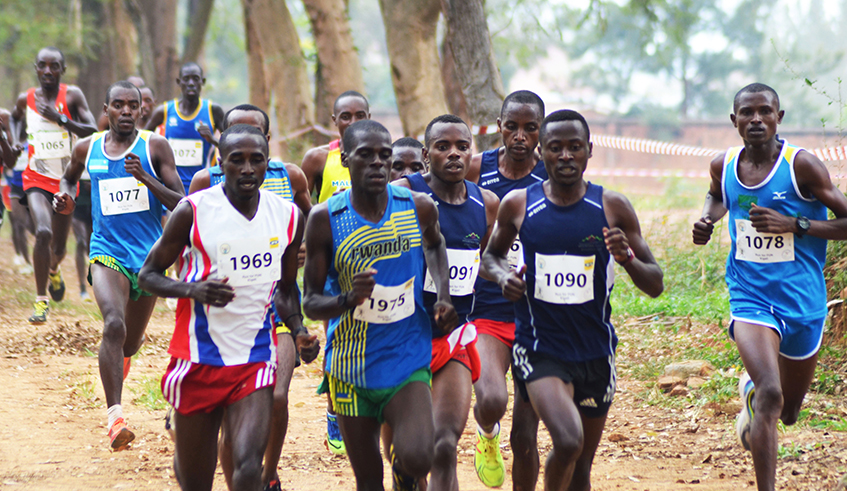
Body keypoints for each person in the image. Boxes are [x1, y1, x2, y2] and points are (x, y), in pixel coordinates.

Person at [483, 109, 663, 491]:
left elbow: (655, 284)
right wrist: (503, 279)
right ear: (541, 152)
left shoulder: (611, 206)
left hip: (595, 352)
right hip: (539, 347)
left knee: (580, 468)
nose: (565, 156)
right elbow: (490, 258)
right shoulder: (518, 204)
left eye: (574, 147)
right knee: (567, 439)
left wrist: (626, 257)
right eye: (555, 148)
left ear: (589, 151)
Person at [138, 124, 312, 491]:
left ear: (268, 164)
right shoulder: (194, 211)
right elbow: (148, 275)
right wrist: (192, 289)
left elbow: (284, 289)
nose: (248, 169)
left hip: (254, 361)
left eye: (256, 160)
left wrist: (298, 330)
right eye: (237, 160)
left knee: (249, 469)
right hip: (198, 360)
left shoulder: (287, 216)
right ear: (220, 163)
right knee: (195, 481)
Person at [692, 83, 847, 491]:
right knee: (771, 394)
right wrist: (707, 219)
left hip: (803, 301)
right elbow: (715, 198)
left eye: (765, 111)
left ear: (780, 118)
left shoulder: (802, 167)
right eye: (747, 112)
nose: (756, 119)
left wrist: (794, 224)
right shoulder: (722, 165)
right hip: (750, 295)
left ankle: (751, 396)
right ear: (734, 120)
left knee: (789, 411)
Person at [303, 119, 458, 490]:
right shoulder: (326, 219)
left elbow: (436, 246)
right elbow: (310, 302)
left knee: (419, 456)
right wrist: (347, 298)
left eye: (384, 156)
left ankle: (405, 479)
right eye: (366, 155)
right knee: (369, 480)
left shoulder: (417, 207)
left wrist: (443, 296)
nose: (377, 163)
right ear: (345, 158)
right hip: (350, 365)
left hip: (406, 354)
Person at [188, 103, 315, 491]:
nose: (246, 167)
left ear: (267, 142)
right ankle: (237, 466)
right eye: (235, 152)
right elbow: (182, 247)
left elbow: (309, 217)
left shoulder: (289, 181)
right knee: (220, 431)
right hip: (218, 328)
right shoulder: (203, 186)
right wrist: (193, 286)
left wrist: (302, 246)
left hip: (273, 314)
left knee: (277, 395)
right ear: (222, 150)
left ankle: (267, 472)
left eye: (255, 152)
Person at [53, 81, 185, 450]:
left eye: (133, 105)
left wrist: (146, 177)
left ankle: (124, 354)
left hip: (149, 257)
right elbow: (68, 177)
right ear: (106, 109)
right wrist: (65, 196)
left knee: (128, 343)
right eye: (119, 105)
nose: (126, 111)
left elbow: (182, 202)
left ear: (142, 110)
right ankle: (115, 418)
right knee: (113, 323)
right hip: (106, 251)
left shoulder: (154, 146)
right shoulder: (88, 147)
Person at [391, 115, 498, 490]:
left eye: (462, 147)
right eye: (442, 147)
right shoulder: (404, 193)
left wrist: (506, 277)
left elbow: (487, 261)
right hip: (406, 337)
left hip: (453, 339)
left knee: (444, 443)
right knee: (411, 453)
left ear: (472, 151)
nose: (454, 154)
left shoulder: (486, 203)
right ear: (425, 154)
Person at [464, 90, 548, 488]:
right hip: (487, 309)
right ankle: (486, 434)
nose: (520, 135)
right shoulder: (476, 168)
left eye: (530, 128)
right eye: (511, 126)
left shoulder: (552, 175)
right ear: (498, 127)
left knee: (526, 437)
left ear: (540, 131)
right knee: (492, 401)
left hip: (537, 317)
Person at [300, 90, 370, 454]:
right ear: (334, 121)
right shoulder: (318, 159)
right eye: (346, 117)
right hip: (329, 267)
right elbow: (302, 207)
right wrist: (303, 245)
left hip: (370, 263)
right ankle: (335, 411)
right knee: (339, 340)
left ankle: (368, 408)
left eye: (361, 116)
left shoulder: (379, 158)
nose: (354, 123)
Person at [11, 46, 97, 323]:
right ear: (35, 68)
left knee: (59, 248)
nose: (48, 71)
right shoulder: (26, 98)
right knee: (43, 232)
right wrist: (14, 139)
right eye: (42, 65)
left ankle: (54, 270)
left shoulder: (71, 95)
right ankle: (41, 300)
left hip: (66, 182)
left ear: (63, 70)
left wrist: (59, 118)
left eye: (54, 66)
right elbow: (14, 118)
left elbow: (93, 130)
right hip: (35, 177)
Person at [146, 62, 225, 193]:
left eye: (195, 79)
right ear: (179, 82)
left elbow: (232, 146)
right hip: (172, 187)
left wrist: (213, 140)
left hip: (204, 187)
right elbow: (141, 142)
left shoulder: (213, 110)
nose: (191, 83)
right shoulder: (164, 111)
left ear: (203, 81)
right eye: (186, 79)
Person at [1, 114, 34, 274]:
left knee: (34, 228)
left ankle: (48, 259)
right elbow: (7, 164)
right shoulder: (10, 144)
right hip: (14, 188)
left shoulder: (33, 142)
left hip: (32, 188)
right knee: (19, 223)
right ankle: (26, 261)